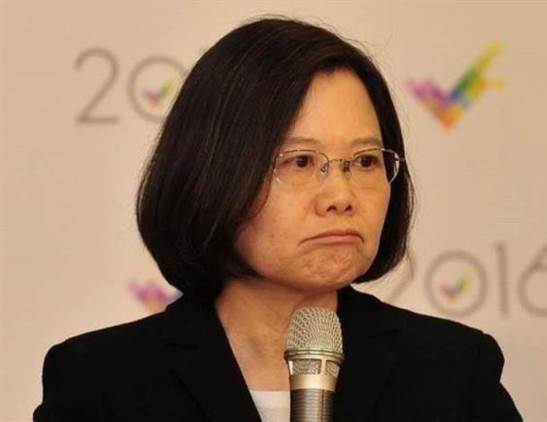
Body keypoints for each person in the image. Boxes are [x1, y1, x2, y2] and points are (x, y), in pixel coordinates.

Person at [33, 17, 522, 421]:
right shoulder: (101, 384)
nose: (341, 196)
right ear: (214, 175)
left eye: (365, 161)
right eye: (301, 162)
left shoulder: (454, 372)